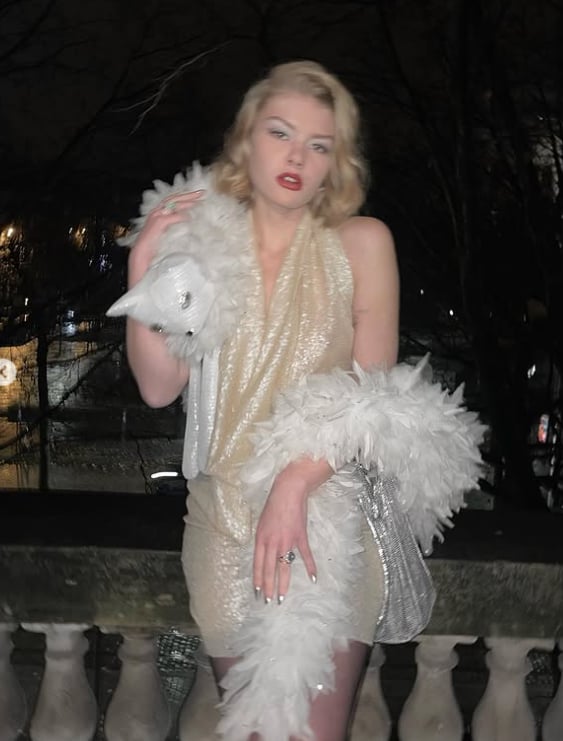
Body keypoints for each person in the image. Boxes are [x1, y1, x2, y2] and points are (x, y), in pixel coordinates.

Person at [118, 60, 482, 741]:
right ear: (245, 139)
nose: (296, 157)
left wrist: (293, 482)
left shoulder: (363, 243)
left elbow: (373, 399)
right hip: (223, 524)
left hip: (326, 520)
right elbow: (159, 385)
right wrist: (144, 265)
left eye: (318, 144)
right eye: (280, 133)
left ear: (335, 162)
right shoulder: (201, 245)